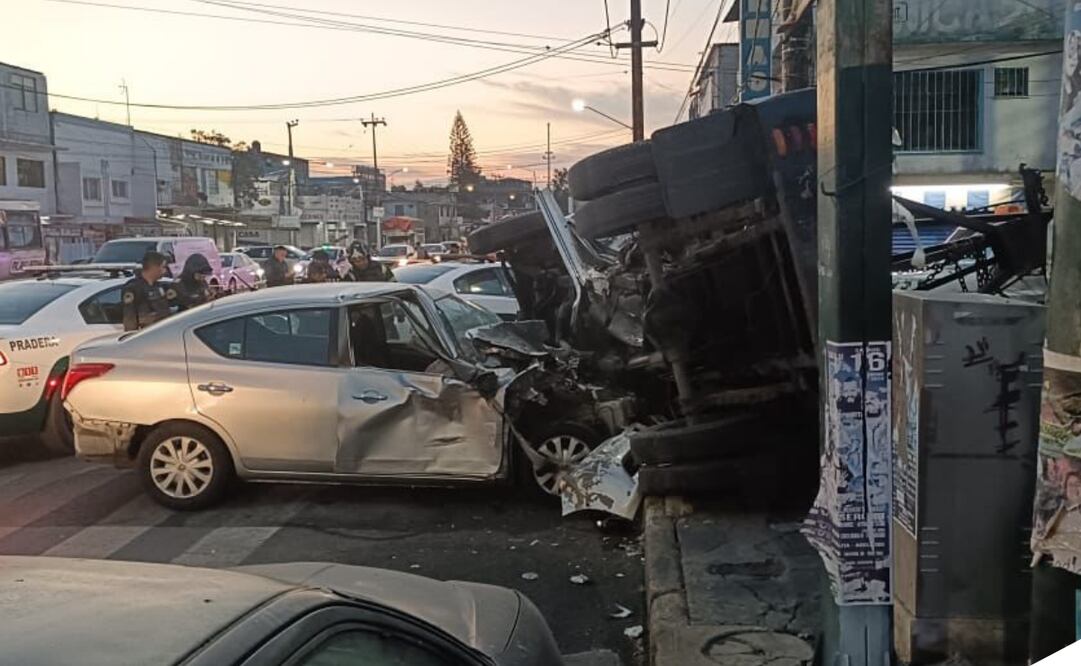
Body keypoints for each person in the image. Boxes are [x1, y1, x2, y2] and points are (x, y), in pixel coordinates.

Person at [121, 251, 171, 331]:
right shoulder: (134, 288)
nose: (165, 271)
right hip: (146, 336)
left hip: (163, 333)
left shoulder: (159, 286)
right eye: (163, 267)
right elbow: (130, 318)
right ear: (154, 267)